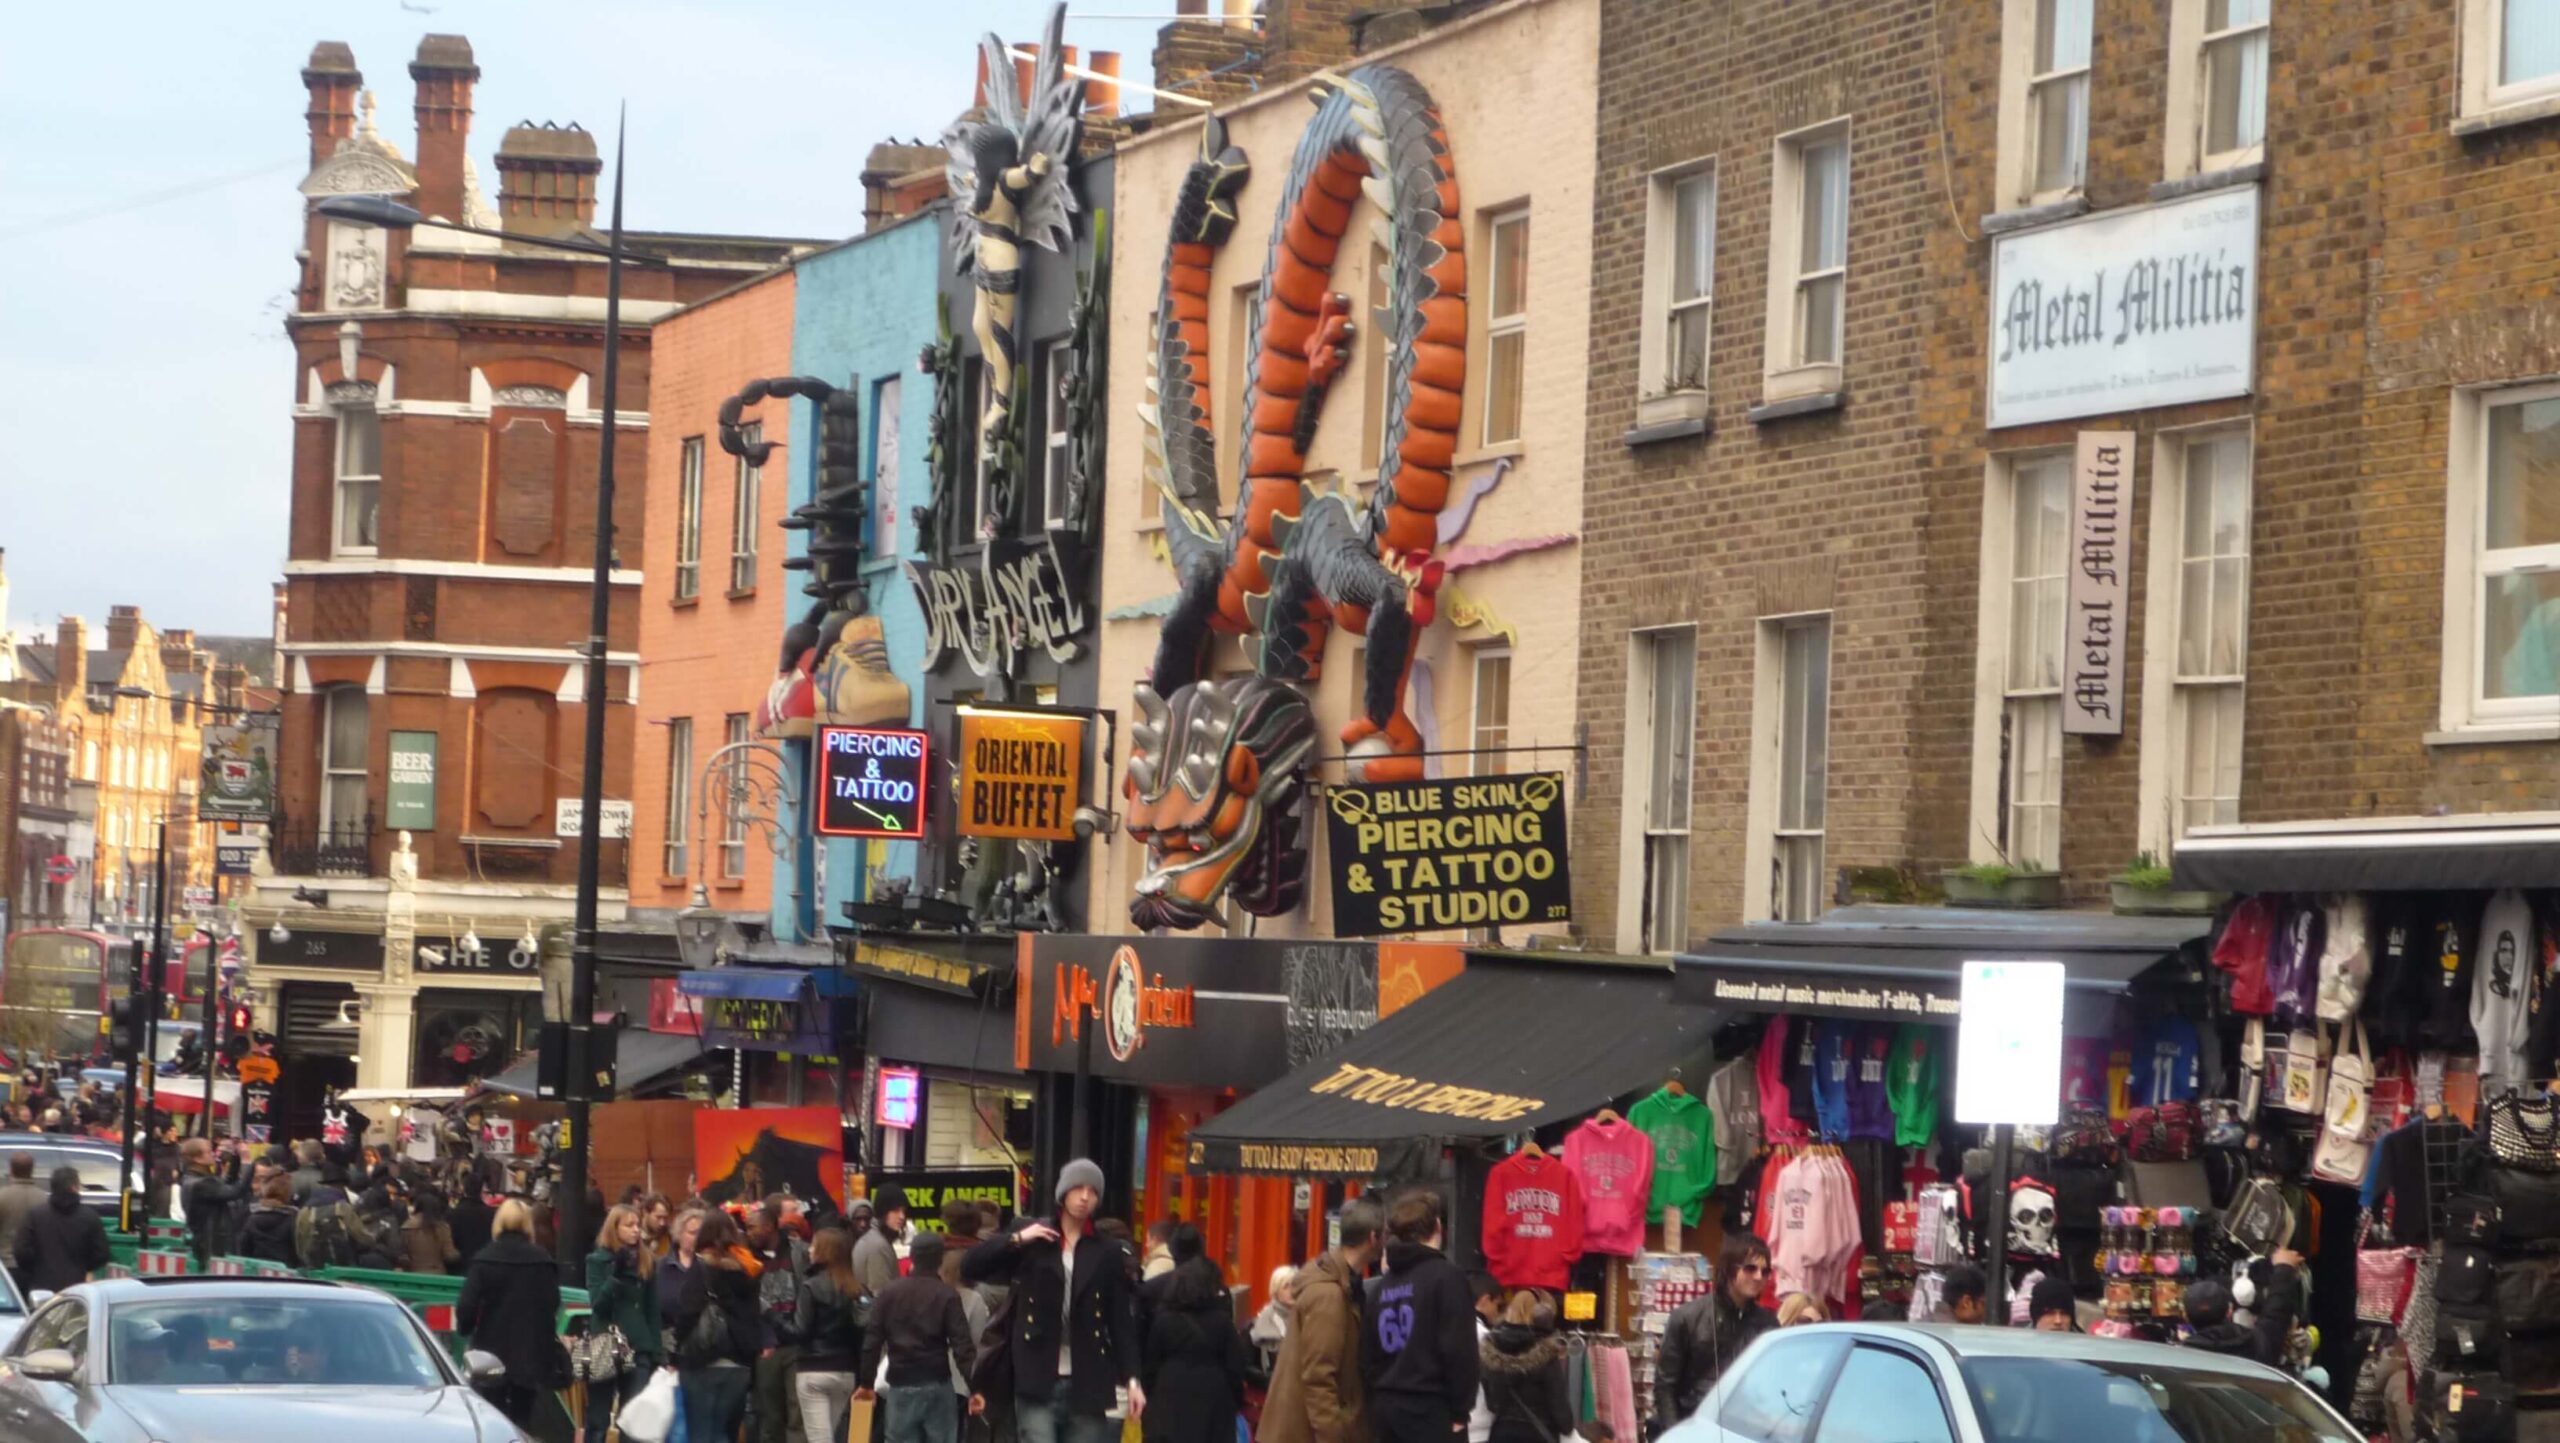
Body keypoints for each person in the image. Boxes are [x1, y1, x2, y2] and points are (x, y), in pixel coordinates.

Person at [963, 1157, 1145, 1443]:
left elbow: (1120, 1322)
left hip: (1088, 1381)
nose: (1085, 1197)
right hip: (1036, 1375)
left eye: (1093, 1191)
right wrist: (1017, 1239)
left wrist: (1132, 1379)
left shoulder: (1106, 1252)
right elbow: (971, 1267)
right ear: (1063, 1193)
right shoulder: (1036, 1242)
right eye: (1078, 1188)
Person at [1360, 1191, 1481, 1443]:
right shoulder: (1447, 1278)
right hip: (1431, 1410)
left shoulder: (1380, 1288)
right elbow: (1460, 1351)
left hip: (1385, 1411)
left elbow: (1367, 1358)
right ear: (1438, 1226)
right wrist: (1461, 1410)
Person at [1263, 1198, 1381, 1443]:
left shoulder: (1339, 1285)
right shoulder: (1329, 1295)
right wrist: (1333, 1436)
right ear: (1373, 1237)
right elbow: (1319, 1377)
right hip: (1304, 1435)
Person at [457, 1198, 569, 1430]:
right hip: (530, 1351)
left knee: (491, 1415)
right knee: (522, 1418)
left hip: (491, 1351)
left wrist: (466, 1329)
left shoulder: (485, 1258)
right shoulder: (542, 1261)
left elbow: (467, 1305)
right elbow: (552, 1303)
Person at [864, 1232, 983, 1443]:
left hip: (900, 1383)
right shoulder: (946, 1295)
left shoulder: (889, 1293)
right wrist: (975, 1388)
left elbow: (872, 1341)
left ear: (912, 1256)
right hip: (937, 1382)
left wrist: (866, 1383)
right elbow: (962, 1347)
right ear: (940, 1259)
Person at [1652, 1234, 1775, 1432]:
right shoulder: (1687, 1318)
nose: (1758, 1276)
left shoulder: (1768, 1324)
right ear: (1729, 1268)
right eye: (1750, 1268)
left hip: (1745, 1431)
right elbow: (1665, 1386)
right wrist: (1677, 1436)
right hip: (1694, 1428)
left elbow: (1772, 1388)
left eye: (1765, 1271)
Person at [1139, 1231, 1250, 1443]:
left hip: (1168, 1402)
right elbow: (1236, 1367)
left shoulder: (1164, 1321)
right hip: (1213, 1404)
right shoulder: (1221, 1322)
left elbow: (1150, 1368)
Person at [674, 1209, 764, 1443]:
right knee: (727, 1433)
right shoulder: (749, 1269)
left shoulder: (703, 1267)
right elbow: (755, 1314)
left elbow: (687, 1312)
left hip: (704, 1361)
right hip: (740, 1364)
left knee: (702, 1434)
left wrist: (675, 1352)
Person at [585, 1203, 668, 1443]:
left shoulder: (646, 1261)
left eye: (637, 1225)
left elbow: (653, 1309)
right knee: (598, 1420)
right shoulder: (596, 1260)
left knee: (633, 1420)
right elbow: (598, 1305)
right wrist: (616, 1277)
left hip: (638, 1345)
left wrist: (656, 1352)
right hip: (605, 1342)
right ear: (615, 1228)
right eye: (629, 1225)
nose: (635, 1231)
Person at [748, 1198, 811, 1443]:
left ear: (770, 1226)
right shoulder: (748, 1258)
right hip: (766, 1347)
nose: (749, 1232)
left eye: (754, 1227)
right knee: (769, 1416)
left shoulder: (798, 1252)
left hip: (796, 1343)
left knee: (798, 1415)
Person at [797, 1226, 868, 1443]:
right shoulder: (858, 1290)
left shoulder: (810, 1286)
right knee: (832, 1434)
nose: (809, 1250)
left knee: (820, 1438)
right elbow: (864, 1330)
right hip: (846, 1371)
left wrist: (772, 1318)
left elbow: (801, 1330)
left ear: (824, 1251)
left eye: (814, 1246)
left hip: (813, 1369)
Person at [2181, 1250, 2305, 1366]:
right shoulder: (2257, 1346)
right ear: (2229, 1312)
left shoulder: (2181, 1360)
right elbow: (2277, 1311)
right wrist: (2284, 1268)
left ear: (2185, 1316)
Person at [1480, 1291, 1571, 1443]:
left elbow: (1491, 1403)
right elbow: (1561, 1412)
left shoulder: (1491, 1349)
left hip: (1501, 1433)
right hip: (1538, 1435)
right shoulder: (1546, 1352)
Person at [13, 1165, 109, 1296]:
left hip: (41, 1289)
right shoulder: (90, 1217)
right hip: (77, 1289)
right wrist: (83, 1266)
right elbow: (101, 1254)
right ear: (75, 1187)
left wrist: (35, 1268)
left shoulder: (35, 1215)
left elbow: (21, 1250)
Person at [178, 1138, 244, 1268]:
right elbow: (235, 1192)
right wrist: (247, 1164)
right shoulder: (202, 1184)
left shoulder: (194, 1178)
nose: (213, 1153)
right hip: (211, 1243)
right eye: (209, 1152)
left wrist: (236, 1157)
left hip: (205, 1241)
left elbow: (225, 1184)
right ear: (197, 1158)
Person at [857, 1189, 909, 1298]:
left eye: (903, 1211)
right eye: (895, 1211)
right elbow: (881, 1295)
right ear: (883, 1212)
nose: (902, 1216)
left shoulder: (876, 1239)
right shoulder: (877, 1245)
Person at [238, 1174, 300, 1265]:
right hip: (286, 1272)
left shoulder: (253, 1218)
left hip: (259, 1271)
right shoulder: (293, 1219)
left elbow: (244, 1247)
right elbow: (298, 1249)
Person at [0, 1152, 44, 1275]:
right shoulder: (43, 1198)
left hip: (6, 1264)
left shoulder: (2, 1196)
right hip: (35, 1265)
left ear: (11, 1170)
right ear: (32, 1170)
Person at [404, 1188, 462, 1275]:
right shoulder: (442, 1228)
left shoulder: (407, 1227)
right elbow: (450, 1255)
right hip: (437, 1275)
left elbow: (402, 1254)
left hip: (413, 1274)